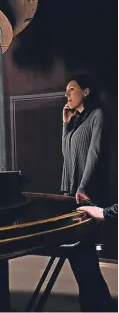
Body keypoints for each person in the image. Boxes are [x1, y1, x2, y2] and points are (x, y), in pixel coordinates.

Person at [61, 74, 114, 311]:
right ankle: (94, 305)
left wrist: (82, 187)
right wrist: (65, 125)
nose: (68, 94)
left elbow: (94, 154)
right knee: (80, 260)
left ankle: (98, 306)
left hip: (88, 196)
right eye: (66, 91)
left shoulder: (97, 115)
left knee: (85, 260)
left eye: (72, 89)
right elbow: (66, 156)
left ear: (86, 91)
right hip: (73, 195)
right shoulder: (75, 122)